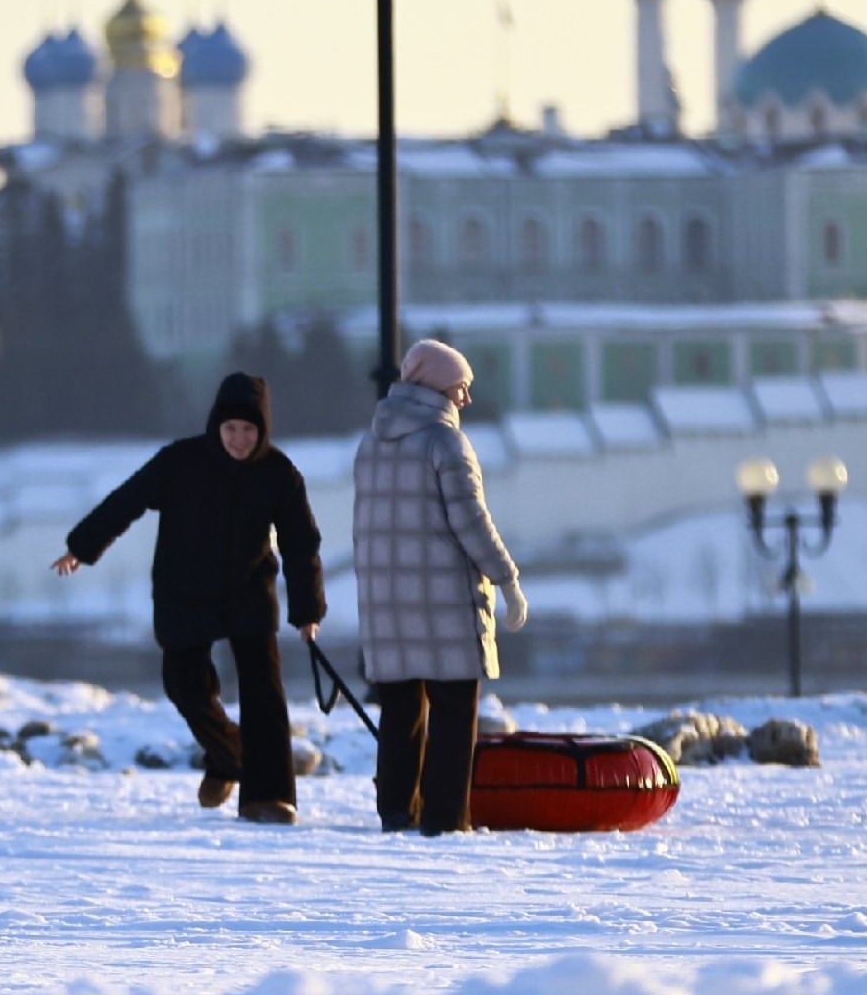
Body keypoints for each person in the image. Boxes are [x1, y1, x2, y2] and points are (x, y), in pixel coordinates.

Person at [52, 372, 324, 825]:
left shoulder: (280, 474)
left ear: (263, 431)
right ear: (216, 425)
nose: (239, 439)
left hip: (248, 594)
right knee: (184, 685)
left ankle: (269, 797)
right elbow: (127, 501)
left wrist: (307, 609)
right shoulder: (180, 462)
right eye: (231, 428)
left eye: (249, 430)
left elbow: (301, 545)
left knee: (264, 696)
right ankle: (231, 755)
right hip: (184, 591)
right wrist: (83, 547)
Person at [352, 340, 526, 836]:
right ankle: (446, 819)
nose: (465, 399)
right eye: (460, 388)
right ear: (435, 386)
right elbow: (473, 524)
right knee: (453, 716)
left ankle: (396, 812)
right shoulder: (445, 443)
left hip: (386, 605)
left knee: (400, 714)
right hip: (444, 605)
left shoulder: (370, 443)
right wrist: (507, 577)